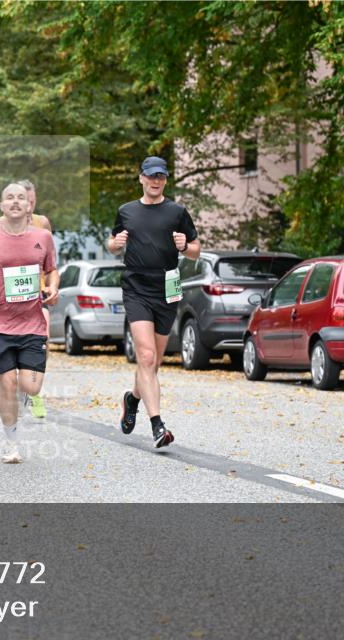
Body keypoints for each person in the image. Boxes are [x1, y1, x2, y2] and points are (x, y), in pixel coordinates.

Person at [108, 156, 201, 448]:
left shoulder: (177, 212)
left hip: (166, 289)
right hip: (136, 288)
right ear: (141, 178)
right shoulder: (126, 211)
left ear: (165, 180)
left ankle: (132, 399)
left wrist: (185, 247)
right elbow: (112, 243)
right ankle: (157, 425)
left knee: (154, 363)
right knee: (146, 357)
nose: (155, 181)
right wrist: (115, 245)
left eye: (160, 176)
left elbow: (196, 249)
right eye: (151, 176)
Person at [0, 183, 58, 464]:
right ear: (1, 205)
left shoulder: (43, 237)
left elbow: (52, 270)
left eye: (20, 198)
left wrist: (53, 288)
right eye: (9, 198)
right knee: (7, 383)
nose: (15, 202)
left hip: (32, 322)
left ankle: (23, 397)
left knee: (31, 386)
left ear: (29, 205)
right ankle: (11, 442)